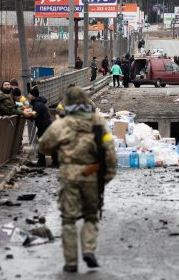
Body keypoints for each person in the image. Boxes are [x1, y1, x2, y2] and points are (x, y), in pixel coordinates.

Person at [38, 87, 117, 273]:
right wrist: (108, 173)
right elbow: (109, 149)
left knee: (68, 219)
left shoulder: (62, 124)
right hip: (92, 173)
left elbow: (43, 146)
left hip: (69, 175)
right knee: (91, 216)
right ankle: (89, 249)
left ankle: (71, 261)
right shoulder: (98, 122)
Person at [27, 86, 58, 167]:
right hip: (46, 126)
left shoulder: (37, 104)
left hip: (44, 126)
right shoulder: (39, 103)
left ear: (32, 95)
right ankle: (54, 161)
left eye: (29, 94)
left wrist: (27, 115)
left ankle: (43, 162)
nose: (28, 95)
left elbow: (35, 115)